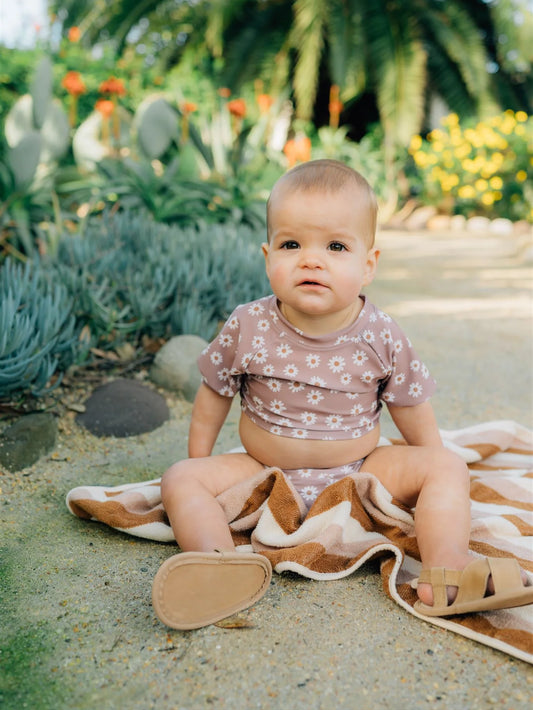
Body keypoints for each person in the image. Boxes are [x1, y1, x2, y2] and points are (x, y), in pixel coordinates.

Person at [152, 158, 532, 630]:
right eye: (291, 244)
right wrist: (200, 461)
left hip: (359, 473)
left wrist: (429, 478)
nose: (311, 260)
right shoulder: (248, 324)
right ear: (268, 256)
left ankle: (447, 565)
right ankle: (217, 564)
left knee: (449, 465)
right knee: (179, 479)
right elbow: (215, 392)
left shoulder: (381, 333)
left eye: (335, 245)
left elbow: (410, 406)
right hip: (265, 471)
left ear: (368, 264)